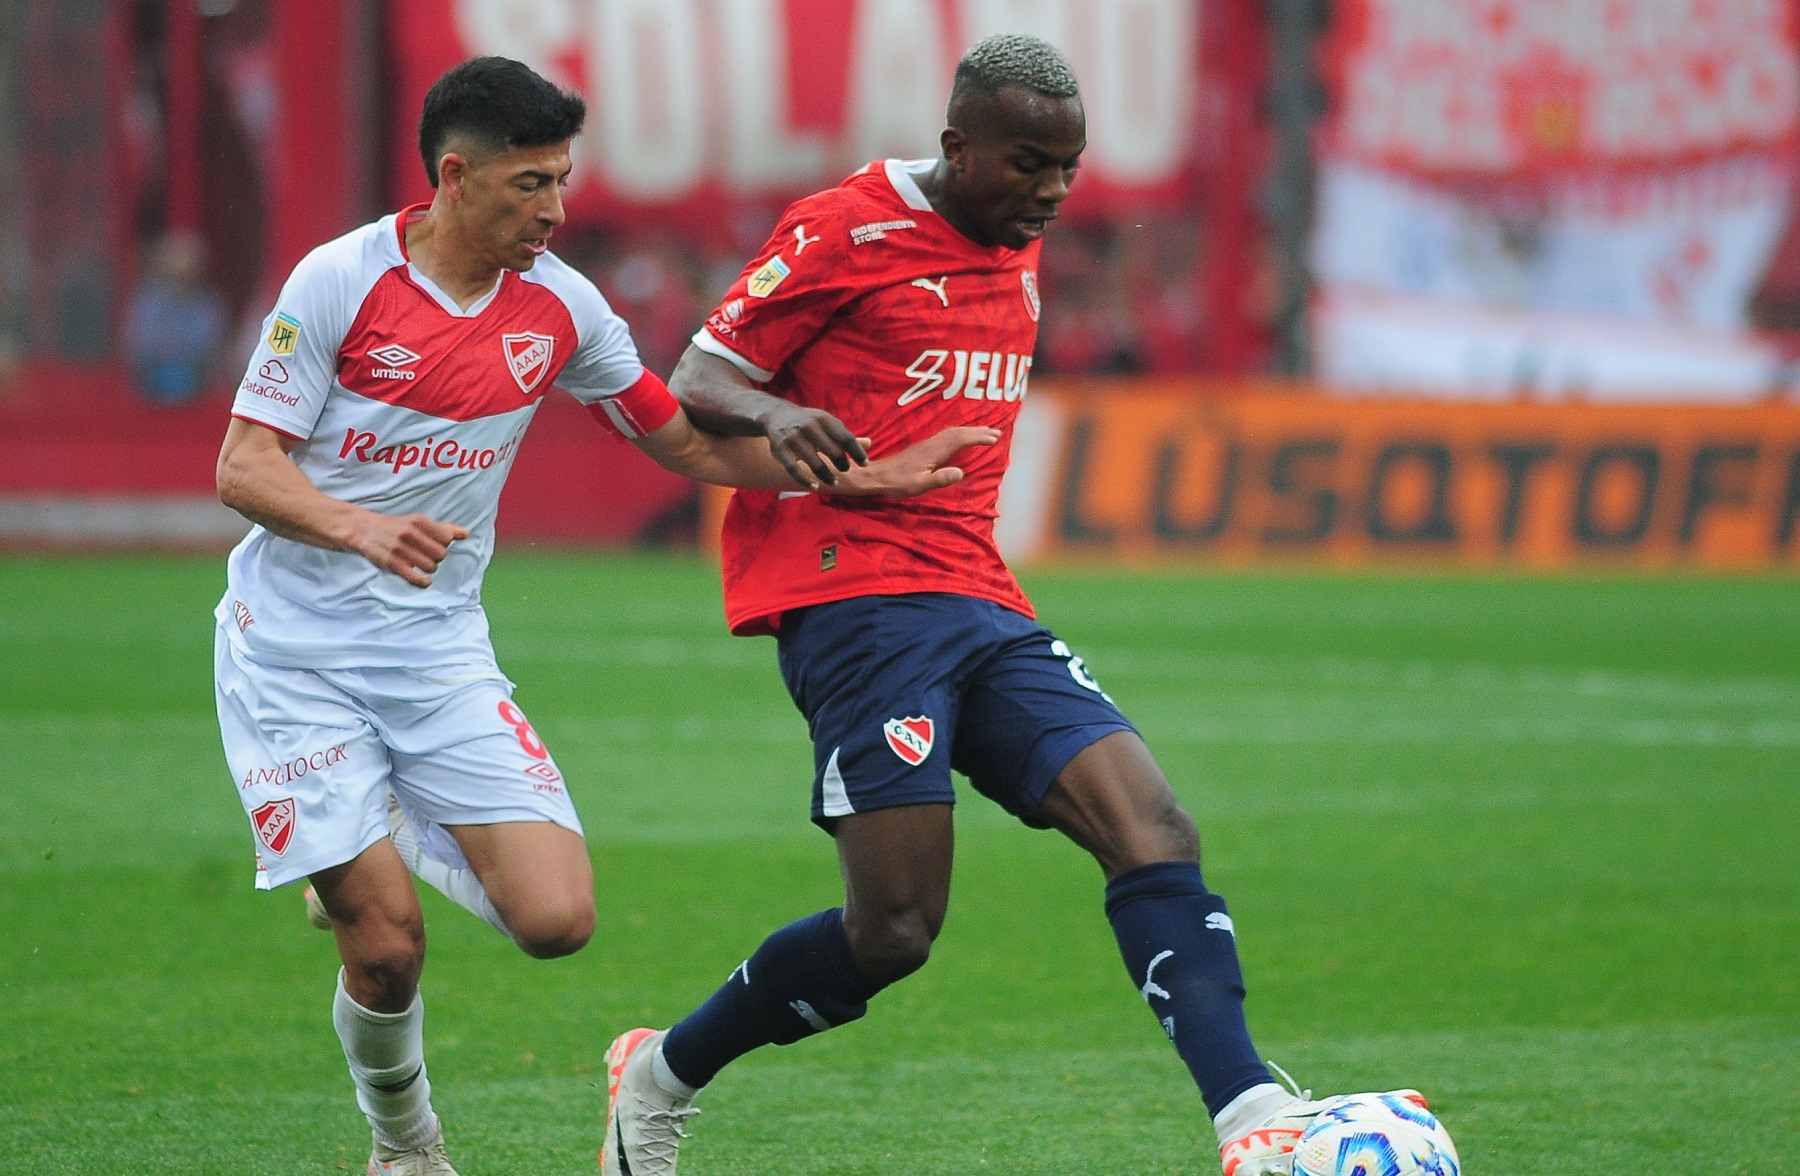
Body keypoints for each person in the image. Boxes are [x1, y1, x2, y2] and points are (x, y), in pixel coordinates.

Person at [598, 35, 1428, 1176]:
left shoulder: (1013, 236)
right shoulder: (847, 227)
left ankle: (1251, 1121)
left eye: (1066, 171)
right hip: (853, 594)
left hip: (977, 591)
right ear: (958, 147)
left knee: (1154, 827)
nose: (1049, 192)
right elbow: (699, 374)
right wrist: (777, 417)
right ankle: (658, 1074)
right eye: (1027, 164)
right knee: (892, 934)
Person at [212, 56, 989, 1176]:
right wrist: (357, 525)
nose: (556, 211)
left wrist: (858, 475)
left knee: (557, 922)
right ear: (455, 176)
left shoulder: (563, 308)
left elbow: (681, 438)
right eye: (531, 185)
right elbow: (244, 468)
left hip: (434, 650)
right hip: (289, 654)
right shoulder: (340, 283)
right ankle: (407, 1148)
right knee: (385, 951)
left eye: (563, 181)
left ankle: (365, 837)